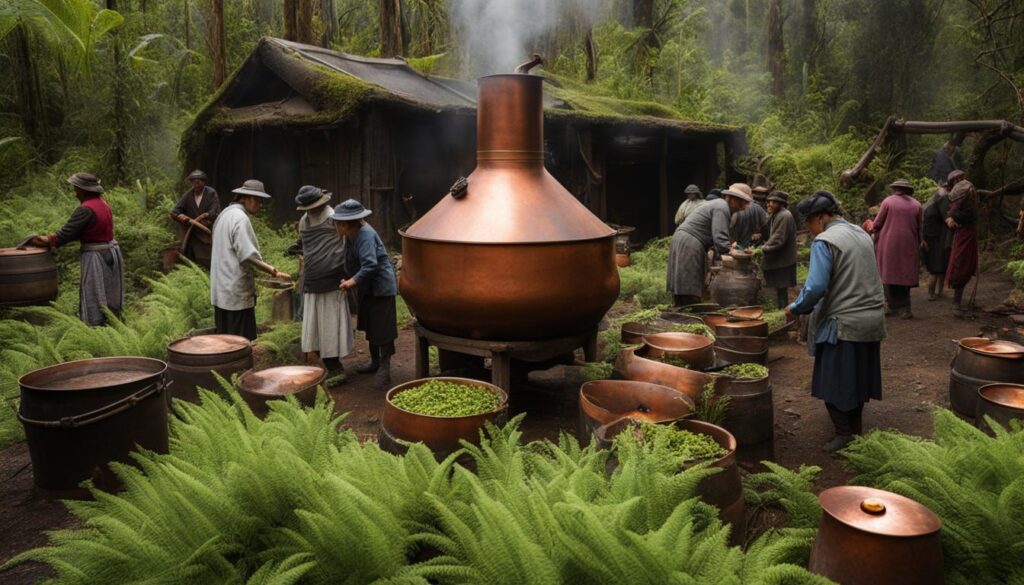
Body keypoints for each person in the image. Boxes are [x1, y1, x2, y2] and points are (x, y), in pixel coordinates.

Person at [785, 190, 885, 453]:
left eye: (808, 223)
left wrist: (796, 308)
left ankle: (844, 434)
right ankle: (856, 429)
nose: (810, 230)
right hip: (872, 320)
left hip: (844, 323)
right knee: (858, 380)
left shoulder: (825, 241)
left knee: (832, 383)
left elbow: (816, 286)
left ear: (819, 218)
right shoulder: (861, 233)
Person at [29, 173, 124, 326]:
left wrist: (46, 240)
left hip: (97, 257)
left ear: (83, 190)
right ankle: (113, 326)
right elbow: (82, 231)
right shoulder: (103, 204)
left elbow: (66, 234)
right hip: (111, 253)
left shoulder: (86, 209)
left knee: (94, 293)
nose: (74, 192)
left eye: (76, 188)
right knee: (109, 294)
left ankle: (96, 328)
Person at [210, 179, 290, 340]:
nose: (260, 205)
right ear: (246, 198)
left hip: (221, 287)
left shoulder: (224, 215)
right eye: (258, 200)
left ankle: (226, 365)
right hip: (235, 289)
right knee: (239, 341)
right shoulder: (240, 218)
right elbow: (248, 255)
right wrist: (273, 271)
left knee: (224, 339)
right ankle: (239, 366)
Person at [332, 199, 398, 390]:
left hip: (381, 287)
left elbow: (370, 264)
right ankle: (374, 362)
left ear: (345, 224)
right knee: (370, 324)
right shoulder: (350, 235)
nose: (335, 225)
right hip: (367, 286)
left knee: (383, 329)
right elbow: (351, 260)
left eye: (337, 222)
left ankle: (385, 368)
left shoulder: (365, 235)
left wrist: (352, 281)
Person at [292, 185, 352, 378]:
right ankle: (325, 361)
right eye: (308, 208)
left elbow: (343, 244)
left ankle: (335, 364)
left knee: (331, 323)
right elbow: (308, 248)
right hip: (312, 278)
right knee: (315, 325)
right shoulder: (304, 222)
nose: (311, 210)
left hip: (333, 278)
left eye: (314, 206)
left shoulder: (333, 217)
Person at [667, 183, 752, 307]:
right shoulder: (722, 207)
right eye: (743, 203)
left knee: (683, 280)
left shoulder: (720, 206)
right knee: (689, 281)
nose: (744, 207)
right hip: (689, 241)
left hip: (683, 238)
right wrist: (729, 250)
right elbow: (719, 236)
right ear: (734, 199)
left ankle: (682, 311)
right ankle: (689, 313)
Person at [871, 179, 923, 319]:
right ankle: (905, 309)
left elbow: (877, 224)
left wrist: (870, 228)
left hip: (888, 244)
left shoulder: (888, 202)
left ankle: (890, 305)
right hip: (909, 244)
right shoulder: (917, 205)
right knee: (904, 275)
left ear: (895, 189)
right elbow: (920, 228)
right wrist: (920, 242)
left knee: (888, 274)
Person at [944, 170, 979, 317]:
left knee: (962, 264)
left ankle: (956, 304)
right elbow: (953, 211)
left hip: (966, 232)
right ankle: (956, 304)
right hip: (965, 232)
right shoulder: (968, 188)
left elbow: (954, 211)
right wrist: (951, 218)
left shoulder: (964, 189)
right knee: (961, 265)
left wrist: (952, 217)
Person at [170, 169, 220, 269]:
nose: (196, 185)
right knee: (191, 262)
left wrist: (206, 216)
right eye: (194, 182)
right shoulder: (188, 195)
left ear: (204, 182)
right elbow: (174, 212)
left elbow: (215, 212)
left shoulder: (211, 193)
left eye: (198, 182)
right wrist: (182, 218)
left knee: (208, 262)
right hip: (191, 235)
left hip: (208, 235)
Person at [760, 190, 797, 309]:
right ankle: (781, 309)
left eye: (773, 202)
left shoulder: (784, 215)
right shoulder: (776, 215)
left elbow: (778, 238)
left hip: (783, 260)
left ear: (781, 204)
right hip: (781, 259)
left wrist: (763, 248)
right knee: (780, 289)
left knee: (782, 289)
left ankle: (783, 311)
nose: (769, 204)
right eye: (768, 202)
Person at [921, 182, 953, 300]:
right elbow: (947, 217)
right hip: (933, 239)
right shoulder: (941, 198)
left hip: (936, 237)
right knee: (936, 266)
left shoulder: (933, 201)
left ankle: (940, 292)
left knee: (942, 265)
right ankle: (931, 293)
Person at [729, 184, 767, 248]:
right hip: (753, 247)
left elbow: (731, 232)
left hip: (736, 246)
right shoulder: (760, 210)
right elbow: (765, 227)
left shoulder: (737, 208)